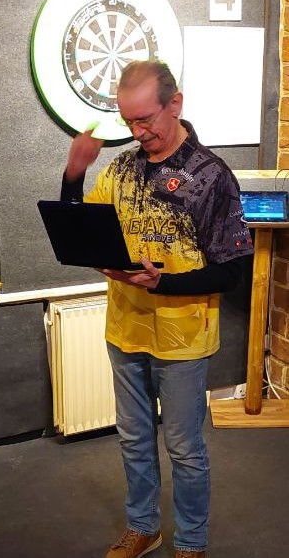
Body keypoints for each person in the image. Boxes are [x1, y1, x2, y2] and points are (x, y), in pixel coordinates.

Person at [61, 60, 253, 558]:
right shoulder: (122, 168)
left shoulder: (211, 176)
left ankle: (191, 542)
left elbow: (233, 272)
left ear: (175, 104)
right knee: (133, 438)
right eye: (128, 121)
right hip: (125, 327)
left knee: (185, 448)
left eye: (145, 119)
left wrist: (163, 283)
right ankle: (143, 527)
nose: (137, 131)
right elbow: (80, 231)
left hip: (182, 336)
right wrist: (73, 177)